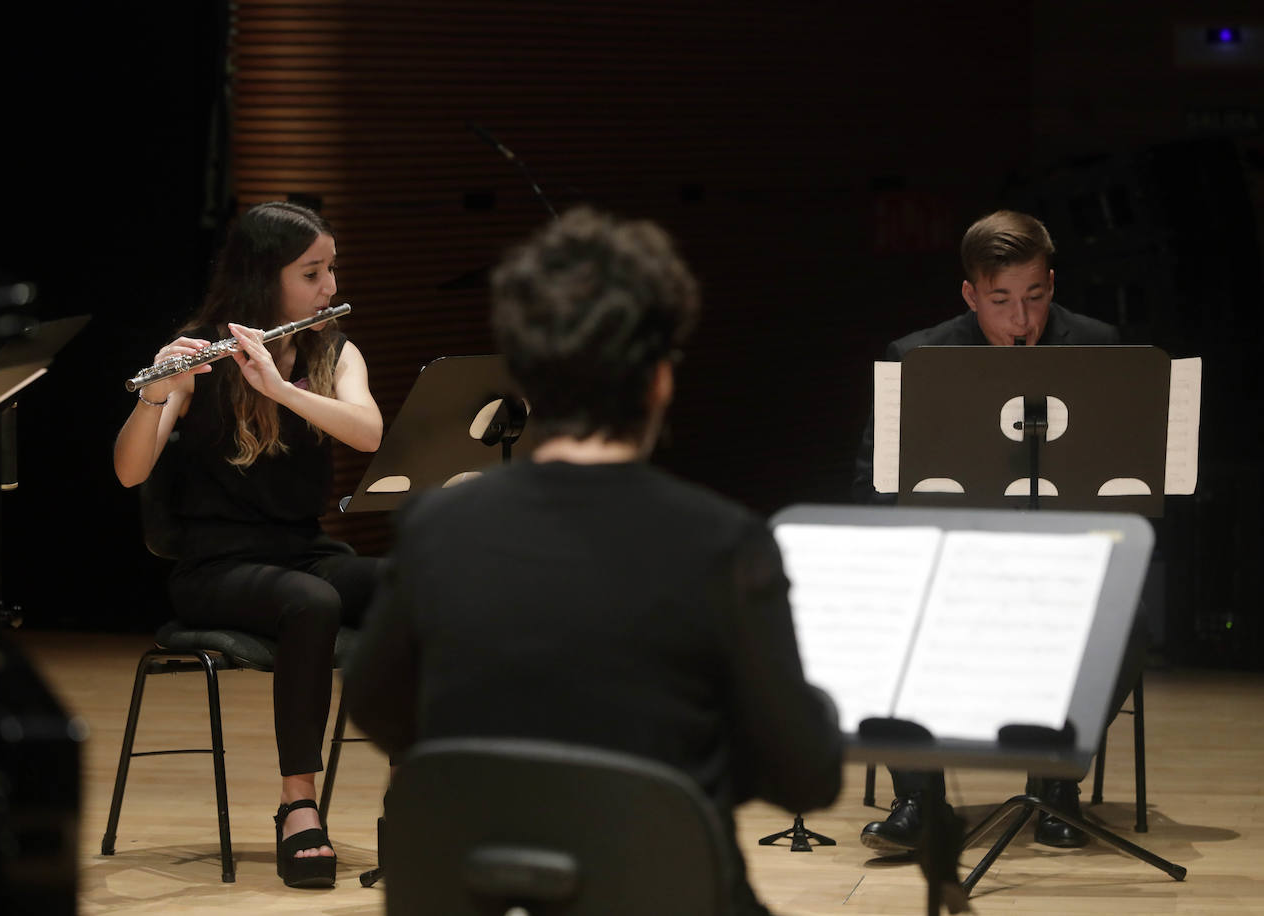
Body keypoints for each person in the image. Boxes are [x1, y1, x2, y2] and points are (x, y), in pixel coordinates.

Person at [342, 206, 843, 915]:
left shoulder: (435, 528)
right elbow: (805, 775)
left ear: (521, 377)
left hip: (485, 890)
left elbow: (375, 702)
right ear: (661, 379)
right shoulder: (723, 542)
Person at [853, 209, 1146, 853]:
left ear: (1051, 282)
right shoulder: (918, 358)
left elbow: (1129, 479)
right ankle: (922, 801)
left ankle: (1055, 785)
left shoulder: (1098, 347)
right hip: (959, 564)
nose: (1022, 321)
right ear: (969, 294)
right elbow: (873, 484)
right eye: (1001, 300)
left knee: (1130, 612)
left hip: (1064, 562)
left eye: (1036, 297)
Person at [113, 201, 383, 889]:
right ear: (266, 279)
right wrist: (157, 396)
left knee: (418, 579)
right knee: (312, 603)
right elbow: (130, 470)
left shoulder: (332, 350)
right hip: (216, 567)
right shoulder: (198, 351)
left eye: (331, 270)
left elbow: (367, 434)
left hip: (302, 549)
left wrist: (282, 389)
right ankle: (299, 805)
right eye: (312, 273)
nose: (328, 288)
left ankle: (428, 783)